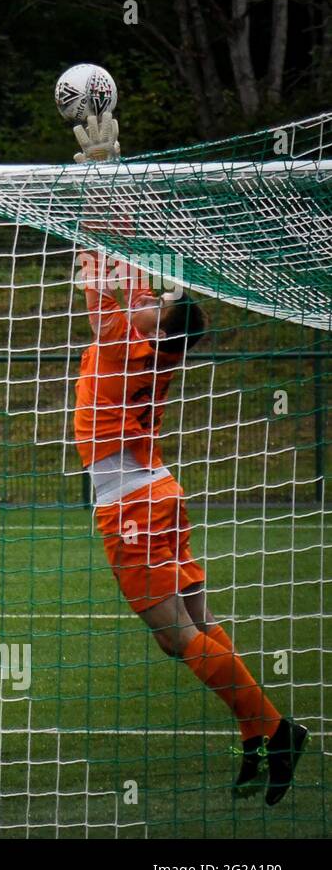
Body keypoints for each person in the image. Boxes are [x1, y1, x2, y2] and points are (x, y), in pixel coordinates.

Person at [74, 263, 306, 805]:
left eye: (152, 305)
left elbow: (98, 292)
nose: (142, 301)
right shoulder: (161, 349)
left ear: (155, 328)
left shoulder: (119, 349)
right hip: (159, 493)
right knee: (185, 630)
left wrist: (94, 231)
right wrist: (120, 224)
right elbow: (127, 292)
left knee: (178, 635)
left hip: (131, 506)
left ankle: (276, 730)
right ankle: (255, 734)